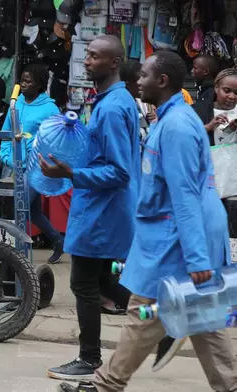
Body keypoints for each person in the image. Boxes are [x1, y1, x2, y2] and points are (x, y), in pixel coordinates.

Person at [58, 50, 237, 392]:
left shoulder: (178, 127)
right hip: (174, 234)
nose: (137, 81)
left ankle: (105, 384)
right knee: (196, 319)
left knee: (151, 312)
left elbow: (184, 195)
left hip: (180, 238)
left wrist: (198, 257)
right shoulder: (168, 119)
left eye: (143, 76)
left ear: (163, 81)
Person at [40, 36, 139, 381]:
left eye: (95, 57)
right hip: (99, 207)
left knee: (84, 284)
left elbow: (120, 170)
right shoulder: (112, 100)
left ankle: (89, 358)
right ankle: (166, 320)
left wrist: (71, 173)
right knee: (101, 279)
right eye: (88, 56)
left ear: (114, 63)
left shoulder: (112, 107)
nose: (87, 62)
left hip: (101, 210)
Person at [0, 65, 64, 264]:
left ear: (40, 85)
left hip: (36, 168)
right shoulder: (15, 104)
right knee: (33, 213)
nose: (23, 84)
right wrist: (8, 158)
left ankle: (14, 255)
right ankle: (58, 241)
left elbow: (56, 139)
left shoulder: (50, 108)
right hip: (15, 165)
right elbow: (5, 135)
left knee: (19, 206)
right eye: (22, 80)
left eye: (29, 81)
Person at [120, 59, 154, 142]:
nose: (144, 83)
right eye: (140, 79)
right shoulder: (121, 106)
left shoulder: (138, 102)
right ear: (128, 84)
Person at [192, 55, 221, 144]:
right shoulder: (204, 91)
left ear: (205, 71)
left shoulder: (211, 94)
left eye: (195, 68)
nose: (192, 71)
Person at [206, 68, 237, 145]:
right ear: (216, 88)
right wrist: (209, 126)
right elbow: (185, 136)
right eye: (227, 90)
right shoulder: (199, 111)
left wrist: (232, 128)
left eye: (236, 92)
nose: (232, 96)